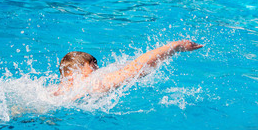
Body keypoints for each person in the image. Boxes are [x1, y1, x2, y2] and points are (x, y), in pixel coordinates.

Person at [54, 40, 203, 98]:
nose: (97, 69)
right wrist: (174, 47)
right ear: (78, 70)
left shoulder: (55, 90)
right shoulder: (92, 83)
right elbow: (137, 67)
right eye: (92, 64)